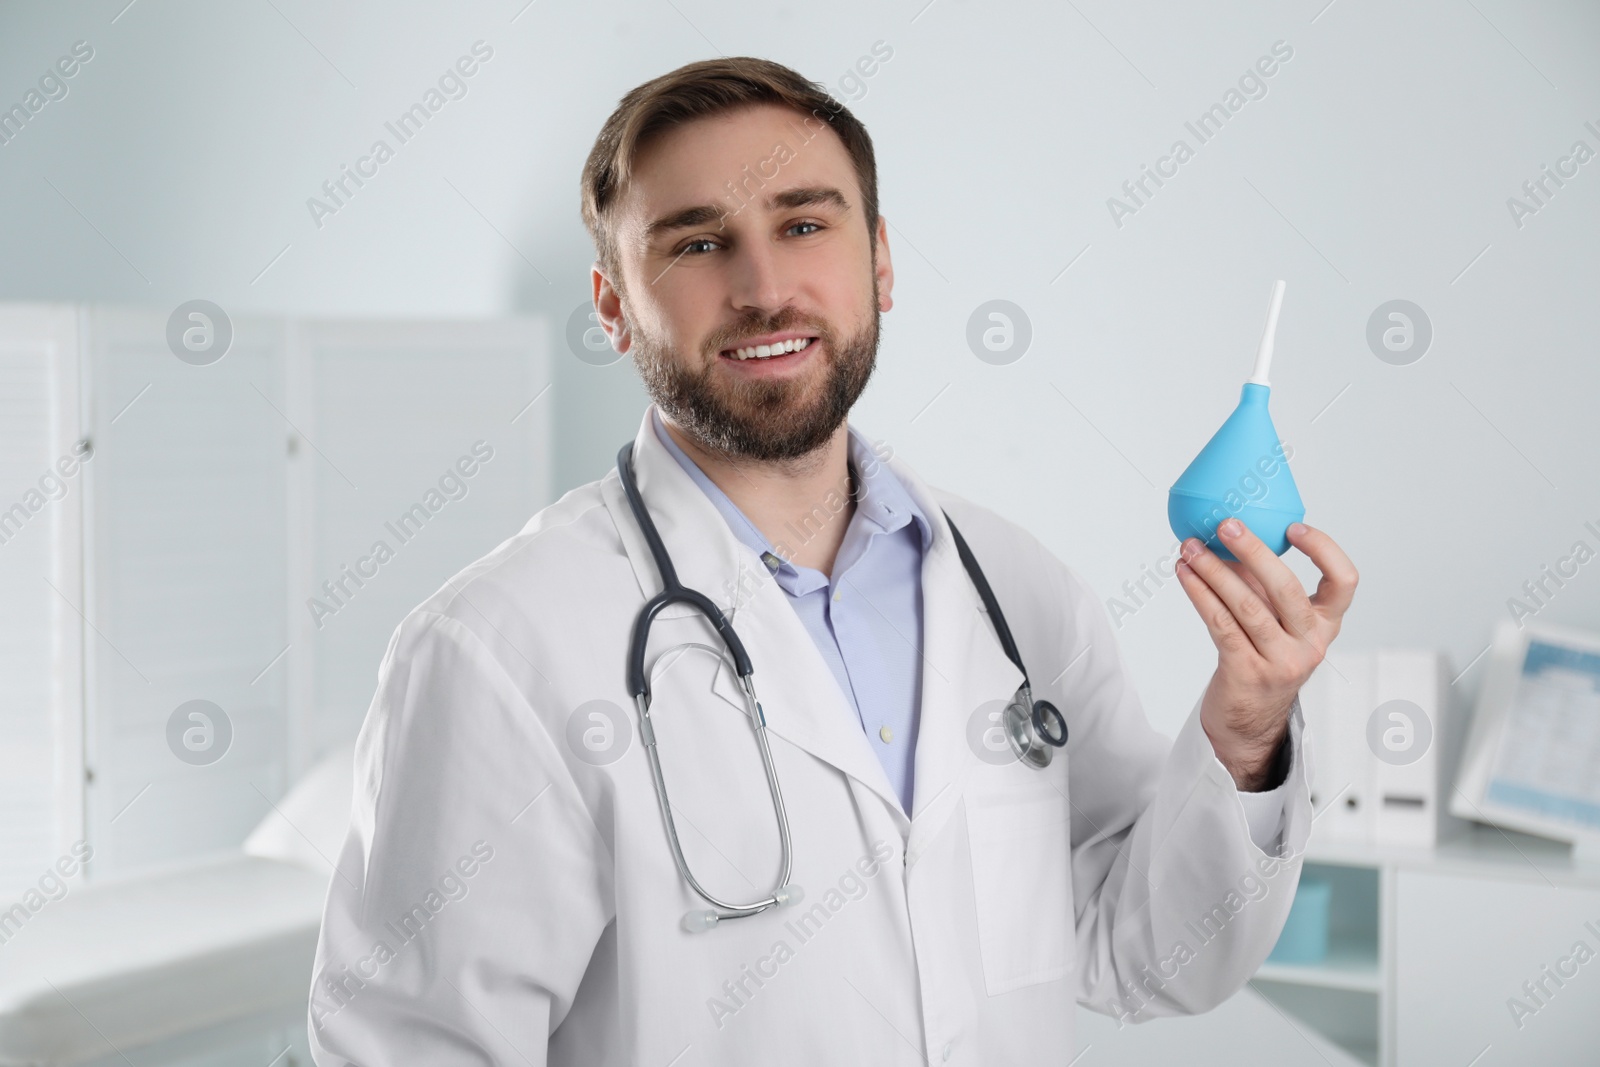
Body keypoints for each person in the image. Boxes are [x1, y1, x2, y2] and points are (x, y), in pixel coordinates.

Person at [309, 56, 1357, 1065]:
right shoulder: (498, 648)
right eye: (695, 243)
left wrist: (1248, 722)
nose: (765, 288)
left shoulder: (1013, 592)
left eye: (804, 224)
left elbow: (1149, 953)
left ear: (881, 261)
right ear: (614, 304)